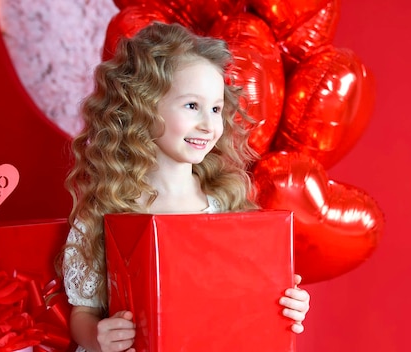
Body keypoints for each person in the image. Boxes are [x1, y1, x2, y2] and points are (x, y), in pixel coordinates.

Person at [61, 21, 310, 352]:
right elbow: (83, 313)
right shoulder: (107, 209)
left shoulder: (226, 206)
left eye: (216, 109)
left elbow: (245, 304)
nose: (208, 124)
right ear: (142, 107)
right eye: (192, 106)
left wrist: (286, 303)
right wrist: (98, 336)